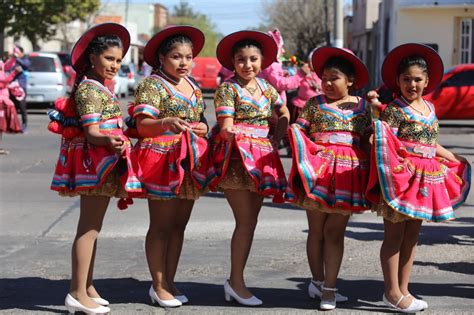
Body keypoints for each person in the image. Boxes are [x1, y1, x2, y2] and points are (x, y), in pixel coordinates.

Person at [366, 43, 471, 313]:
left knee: (412, 235)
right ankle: (391, 292)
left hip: (426, 178)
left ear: (427, 81)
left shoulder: (431, 108)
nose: (412, 84)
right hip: (401, 177)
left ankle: (404, 290)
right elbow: (385, 142)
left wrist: (452, 157)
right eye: (406, 79)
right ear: (398, 81)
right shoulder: (394, 110)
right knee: (394, 234)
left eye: (417, 79)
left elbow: (431, 143)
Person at [48, 23, 142, 314]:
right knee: (88, 229)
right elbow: (92, 132)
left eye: (118, 60)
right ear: (92, 58)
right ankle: (76, 292)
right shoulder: (90, 89)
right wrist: (110, 139)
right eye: (109, 59)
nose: (114, 65)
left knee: (93, 228)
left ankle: (87, 286)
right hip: (94, 164)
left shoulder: (98, 86)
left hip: (101, 163)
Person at [129, 25, 210, 308]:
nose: (184, 62)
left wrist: (202, 128)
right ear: (162, 59)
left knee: (179, 226)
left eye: (188, 57)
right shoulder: (153, 85)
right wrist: (165, 123)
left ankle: (170, 280)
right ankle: (158, 284)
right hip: (160, 160)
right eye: (176, 56)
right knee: (161, 226)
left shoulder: (195, 87)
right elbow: (141, 125)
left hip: (188, 161)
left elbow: (203, 121)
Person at [286, 47, 372, 310]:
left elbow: (369, 140)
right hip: (319, 174)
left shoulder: (363, 107)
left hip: (348, 176)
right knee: (316, 231)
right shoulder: (314, 104)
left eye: (334, 78)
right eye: (324, 78)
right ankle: (317, 281)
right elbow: (299, 131)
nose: (327, 83)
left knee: (334, 232)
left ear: (350, 81)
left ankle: (330, 290)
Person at [210, 30, 289, 306]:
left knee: (250, 223)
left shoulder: (267, 88)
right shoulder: (227, 89)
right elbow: (226, 124)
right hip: (237, 161)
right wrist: (231, 132)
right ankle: (236, 282)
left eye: (253, 59)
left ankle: (236, 280)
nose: (248, 65)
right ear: (232, 62)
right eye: (241, 60)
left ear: (262, 61)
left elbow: (284, 113)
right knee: (245, 222)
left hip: (263, 159)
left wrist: (277, 137)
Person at [258, 29, 310, 151]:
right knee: (288, 134)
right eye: (282, 48)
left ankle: (273, 144)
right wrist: (300, 75)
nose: (284, 51)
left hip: (266, 106)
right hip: (274, 108)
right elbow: (280, 85)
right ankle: (278, 145)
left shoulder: (267, 64)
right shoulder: (273, 65)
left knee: (275, 132)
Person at [290, 49, 322, 124]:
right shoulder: (303, 73)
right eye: (310, 61)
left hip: (317, 108)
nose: (312, 63)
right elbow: (293, 84)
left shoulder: (322, 75)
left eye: (315, 61)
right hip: (300, 106)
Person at [5, 46, 30, 132]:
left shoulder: (24, 60)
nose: (15, 54)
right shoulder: (12, 62)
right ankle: (12, 125)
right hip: (11, 87)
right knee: (12, 107)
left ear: (21, 53)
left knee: (22, 107)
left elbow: (26, 65)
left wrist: (17, 59)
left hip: (20, 88)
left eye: (17, 52)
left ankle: (24, 125)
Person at [0, 60, 22, 154]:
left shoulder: (2, 69)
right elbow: (4, 80)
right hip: (2, 103)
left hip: (3, 102)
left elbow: (6, 66)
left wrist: (13, 58)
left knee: (0, 127)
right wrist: (15, 72)